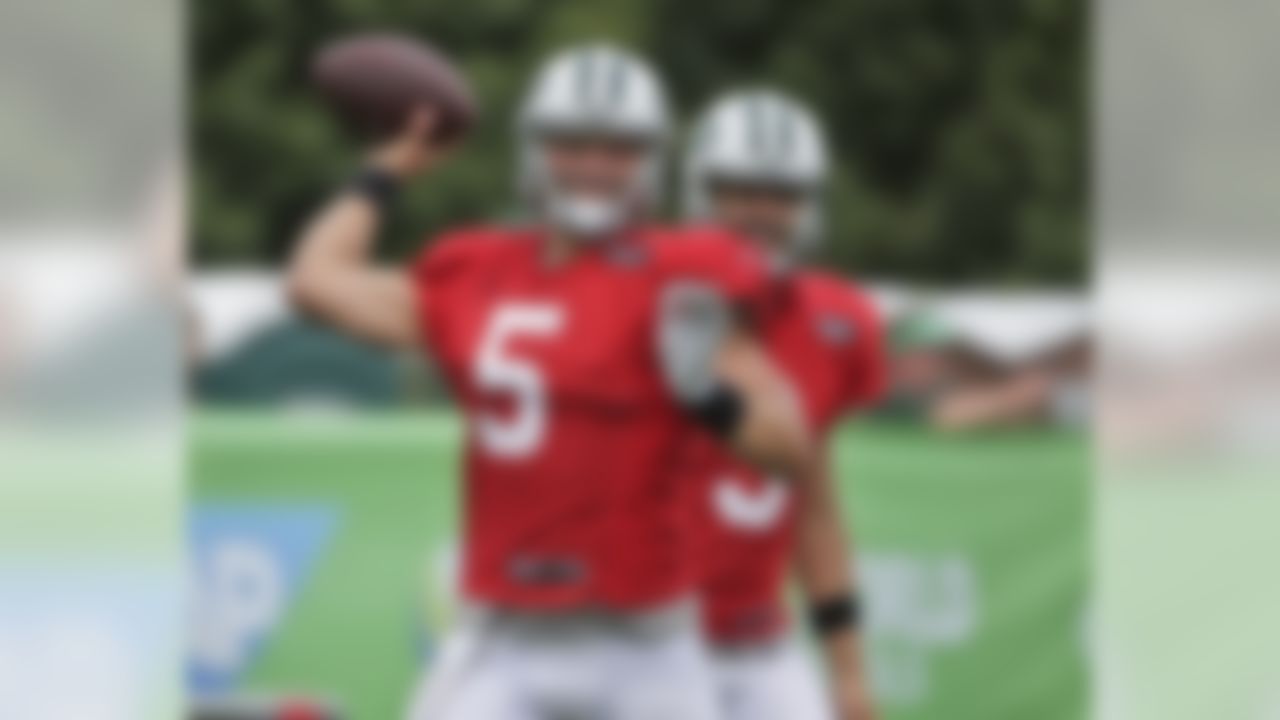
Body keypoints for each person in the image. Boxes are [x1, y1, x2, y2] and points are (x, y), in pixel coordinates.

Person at [287, 44, 824, 720]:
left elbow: (788, 448)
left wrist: (707, 395)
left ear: (651, 159)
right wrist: (387, 169)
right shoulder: (475, 267)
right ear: (535, 150)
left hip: (646, 642)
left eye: (619, 147)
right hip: (502, 635)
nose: (594, 166)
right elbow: (316, 282)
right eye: (572, 143)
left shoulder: (686, 269)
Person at [682, 89, 885, 720]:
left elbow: (815, 511)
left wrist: (848, 671)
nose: (762, 211)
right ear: (702, 193)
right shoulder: (645, 296)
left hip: (757, 644)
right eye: (741, 189)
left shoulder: (834, 324)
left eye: (783, 194)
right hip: (641, 636)